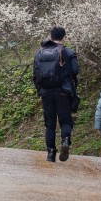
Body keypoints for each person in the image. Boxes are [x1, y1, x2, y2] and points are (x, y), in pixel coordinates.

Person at [33, 26, 79, 163]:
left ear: (50, 36)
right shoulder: (67, 51)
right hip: (63, 92)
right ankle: (65, 140)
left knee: (50, 124)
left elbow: (35, 74)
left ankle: (51, 153)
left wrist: (40, 90)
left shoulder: (39, 52)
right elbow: (75, 70)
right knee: (65, 120)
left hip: (46, 93)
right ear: (64, 37)